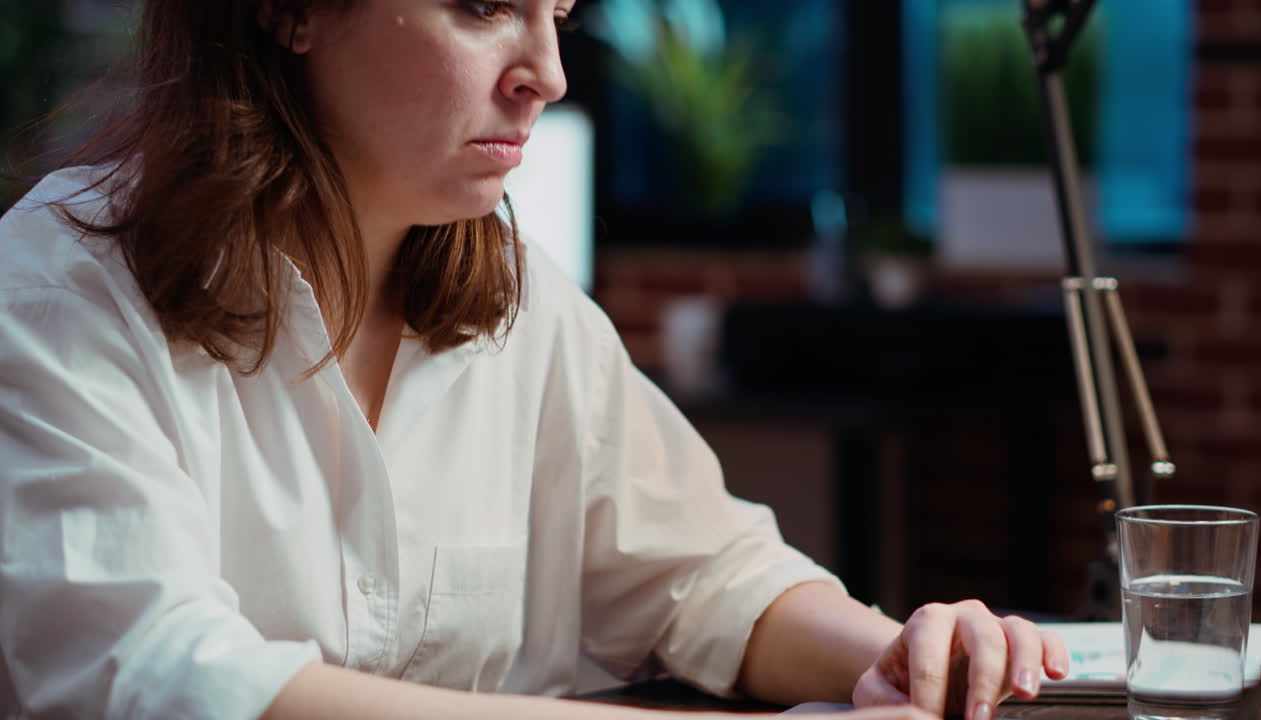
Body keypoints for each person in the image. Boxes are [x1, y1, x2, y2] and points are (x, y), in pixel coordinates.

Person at [0, 1, 1070, 718]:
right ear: (288, 10)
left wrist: (895, 655)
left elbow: (703, 571)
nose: (548, 75)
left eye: (555, 12)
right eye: (480, 7)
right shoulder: (58, 291)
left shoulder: (514, 291)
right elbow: (167, 679)